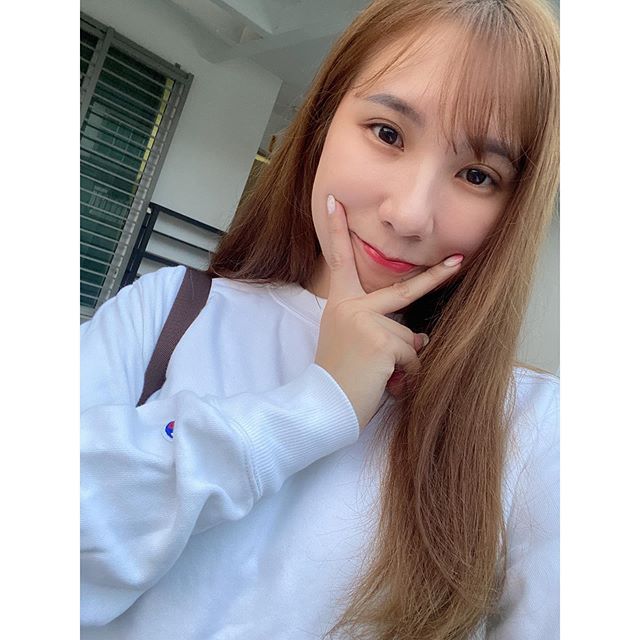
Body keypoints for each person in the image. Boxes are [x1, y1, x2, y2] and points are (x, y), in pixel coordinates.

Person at [80, 0, 559, 638]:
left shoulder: (535, 426)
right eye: (388, 133)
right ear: (324, 121)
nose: (408, 213)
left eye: (477, 174)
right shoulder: (169, 310)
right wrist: (311, 407)